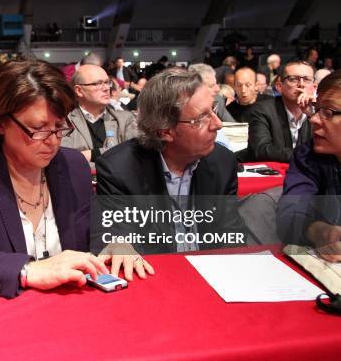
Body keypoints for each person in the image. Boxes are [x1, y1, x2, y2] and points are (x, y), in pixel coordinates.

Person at [0, 60, 151, 298]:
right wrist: (27, 269)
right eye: (38, 129)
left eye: (59, 126)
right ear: (0, 122)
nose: (52, 140)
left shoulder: (72, 165)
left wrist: (117, 240)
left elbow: (96, 225)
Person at [96, 68, 246, 254]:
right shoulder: (118, 170)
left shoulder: (223, 161)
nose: (218, 124)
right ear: (165, 131)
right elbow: (126, 249)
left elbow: (232, 237)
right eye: (201, 118)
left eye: (213, 110)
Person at [277, 71, 341, 262]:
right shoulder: (308, 156)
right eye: (316, 108)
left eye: (328, 113)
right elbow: (288, 216)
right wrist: (318, 231)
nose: (313, 119)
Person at [61, 64, 138, 164]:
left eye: (107, 82)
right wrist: (112, 153)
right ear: (79, 91)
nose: (106, 88)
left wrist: (90, 154)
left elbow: (133, 154)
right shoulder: (65, 122)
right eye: (98, 83)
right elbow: (65, 159)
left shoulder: (125, 119)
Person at [247, 61, 315, 162]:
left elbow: (331, 148)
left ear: (314, 87)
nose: (301, 84)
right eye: (293, 79)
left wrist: (312, 115)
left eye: (307, 79)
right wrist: (307, 157)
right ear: (279, 87)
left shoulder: (319, 112)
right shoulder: (262, 110)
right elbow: (261, 150)